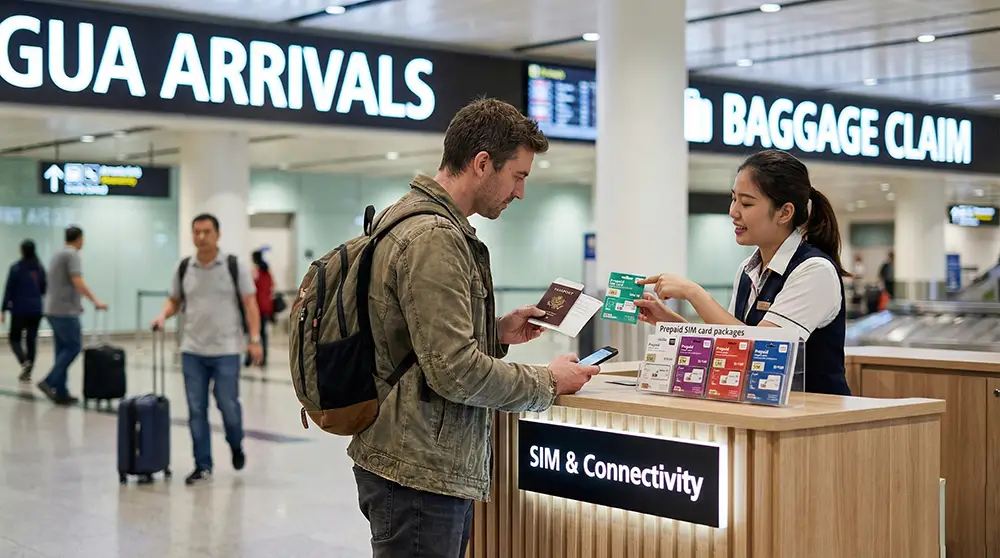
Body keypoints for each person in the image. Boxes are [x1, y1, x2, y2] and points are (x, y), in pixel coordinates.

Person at [348, 98, 601, 558]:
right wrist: (548, 381)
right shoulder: (434, 238)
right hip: (418, 470)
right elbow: (455, 372)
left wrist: (495, 331)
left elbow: (421, 341)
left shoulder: (411, 217)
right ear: (482, 164)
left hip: (412, 459)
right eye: (518, 175)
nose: (520, 192)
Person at [635, 149, 852, 396]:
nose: (733, 212)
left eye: (747, 203)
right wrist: (669, 322)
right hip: (760, 412)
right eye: (733, 199)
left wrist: (693, 293)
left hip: (813, 419)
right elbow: (730, 342)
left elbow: (765, 348)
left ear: (785, 213)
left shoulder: (815, 270)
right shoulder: (748, 269)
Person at [151, 214, 263, 485]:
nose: (201, 237)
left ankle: (235, 444)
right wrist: (162, 315)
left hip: (226, 349)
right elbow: (174, 300)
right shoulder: (184, 267)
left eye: (207, 232)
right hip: (192, 350)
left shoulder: (234, 266)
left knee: (228, 405)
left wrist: (255, 339)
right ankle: (203, 465)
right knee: (196, 409)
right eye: (196, 232)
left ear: (218, 234)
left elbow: (250, 303)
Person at [38, 226, 107, 405]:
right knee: (74, 347)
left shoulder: (58, 254)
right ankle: (49, 381)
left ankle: (61, 392)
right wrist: (95, 301)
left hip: (53, 309)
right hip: (64, 311)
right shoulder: (72, 255)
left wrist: (77, 304)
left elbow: (62, 284)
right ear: (79, 239)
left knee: (62, 349)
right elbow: (77, 280)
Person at [2, 239, 47, 383]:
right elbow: (44, 289)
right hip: (36, 309)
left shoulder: (16, 268)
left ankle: (24, 362)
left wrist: (2, 309)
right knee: (31, 340)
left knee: (14, 338)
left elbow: (8, 290)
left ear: (21, 251)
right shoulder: (39, 268)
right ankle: (28, 370)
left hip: (19, 310)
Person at [246, 250, 273, 367]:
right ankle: (264, 358)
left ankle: (249, 359)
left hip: (256, 306)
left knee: (253, 332)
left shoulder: (255, 272)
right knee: (263, 334)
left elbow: (250, 289)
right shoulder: (267, 272)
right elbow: (271, 286)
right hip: (266, 305)